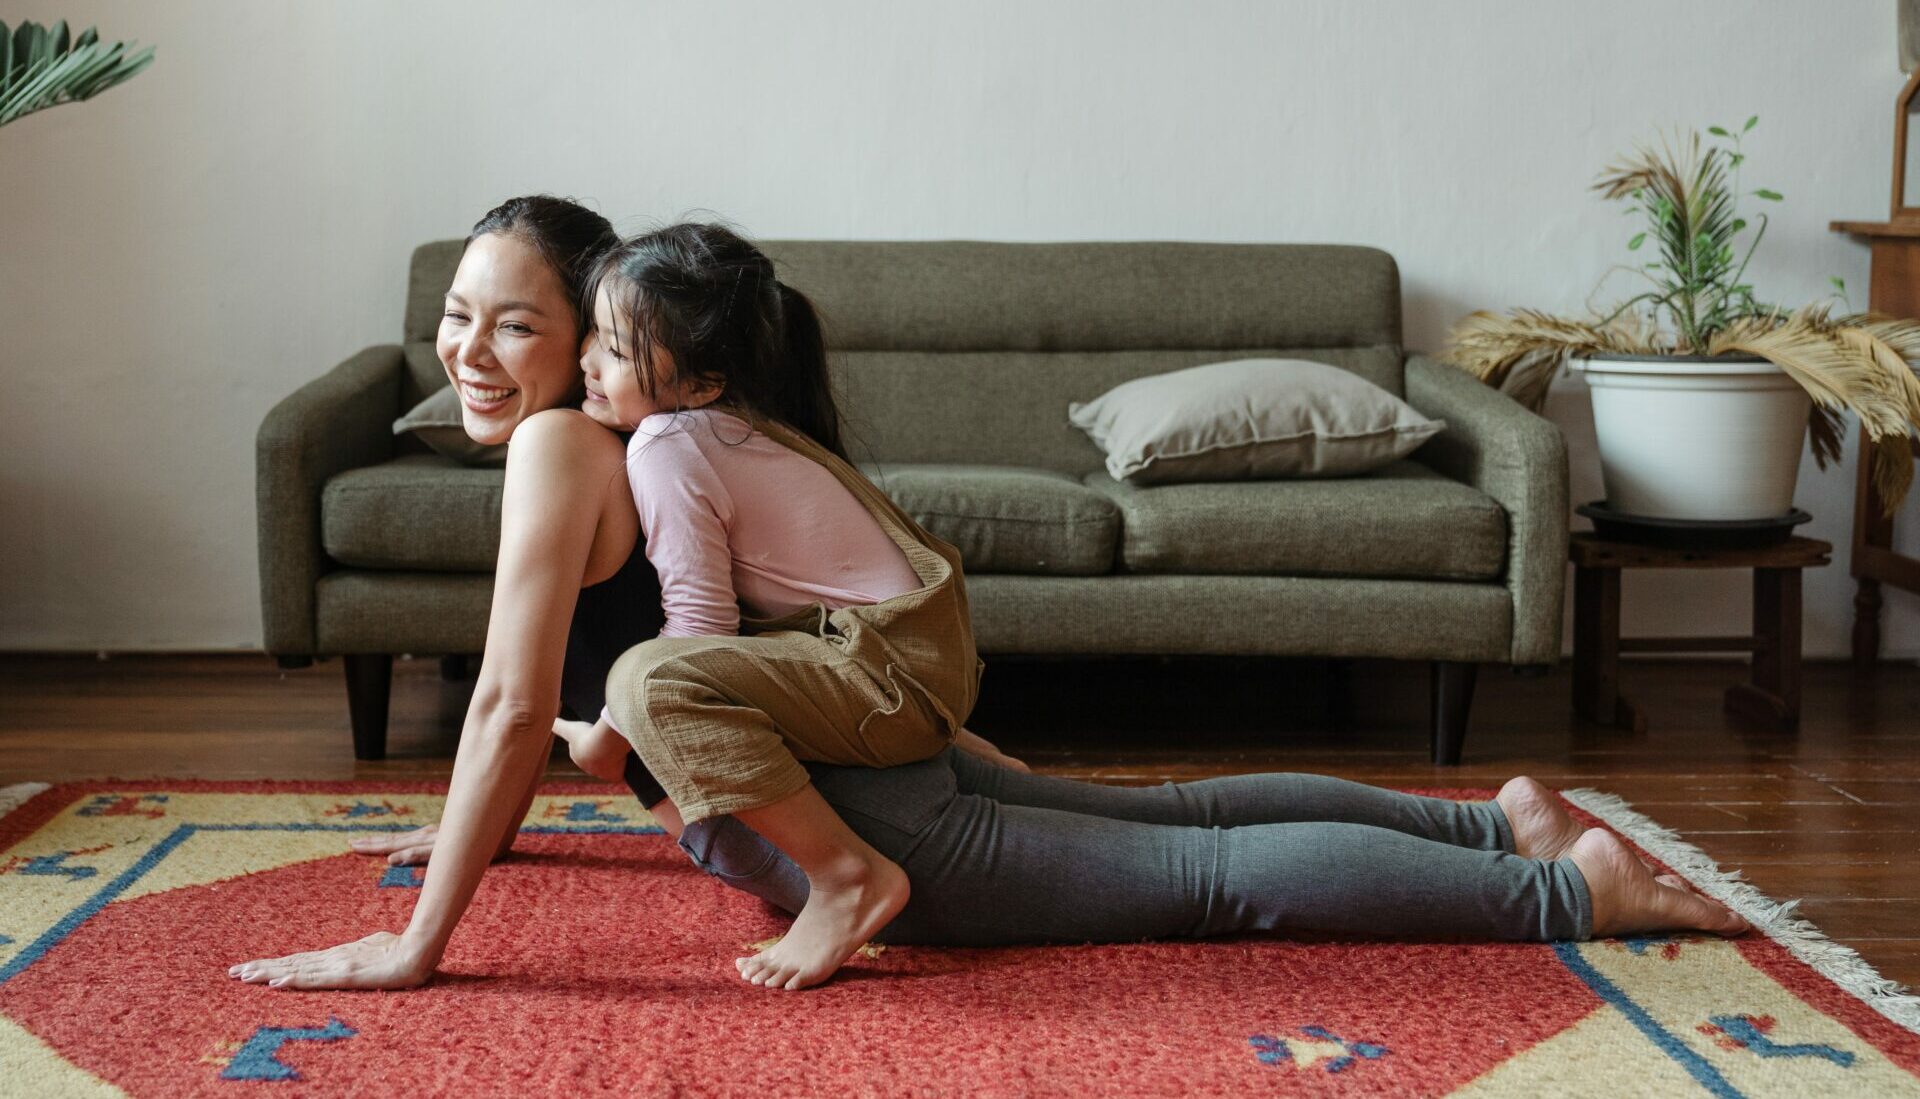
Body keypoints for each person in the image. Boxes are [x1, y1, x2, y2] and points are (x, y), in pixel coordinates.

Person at [228, 197, 1748, 995]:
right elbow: (614, 690)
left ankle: (1562, 890)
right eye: (453, 320)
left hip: (853, 816)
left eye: (517, 325)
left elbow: (520, 697)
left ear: (599, 340)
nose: (473, 356)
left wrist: (420, 939)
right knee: (1187, 822)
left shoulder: (574, 445)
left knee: (1207, 885)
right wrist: (496, 805)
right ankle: (1502, 824)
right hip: (861, 748)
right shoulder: (662, 435)